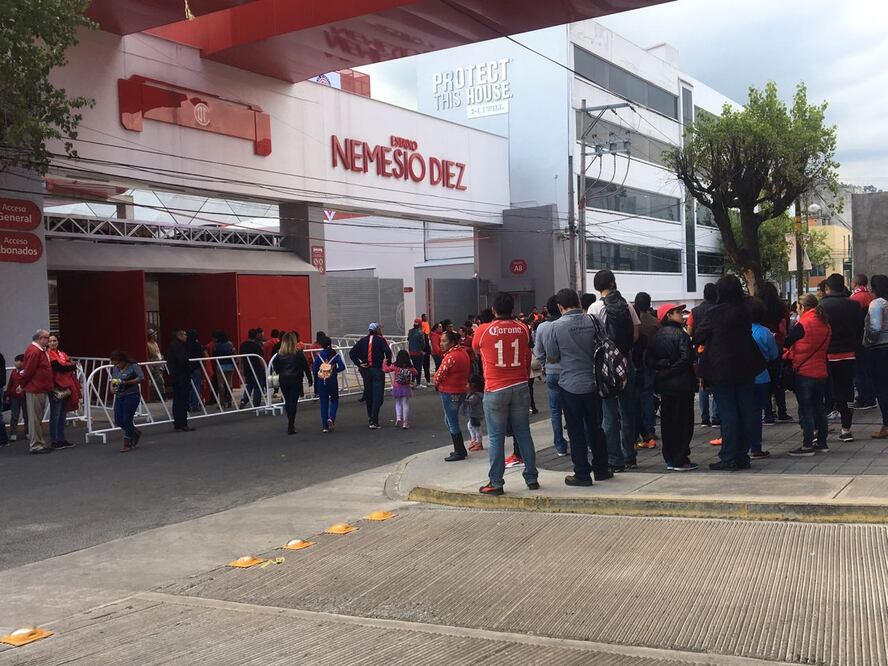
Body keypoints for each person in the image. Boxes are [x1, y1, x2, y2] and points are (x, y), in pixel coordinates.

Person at [693, 275, 765, 471]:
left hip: (720, 368)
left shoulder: (715, 313)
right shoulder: (745, 311)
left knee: (728, 412)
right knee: (745, 411)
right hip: (745, 366)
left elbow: (698, 335)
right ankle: (742, 455)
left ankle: (728, 457)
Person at [473, 293, 539, 494]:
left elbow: (476, 350)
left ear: (493, 310)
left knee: (496, 437)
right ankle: (531, 477)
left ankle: (496, 482)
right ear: (512, 309)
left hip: (495, 387)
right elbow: (529, 350)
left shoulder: (484, 330)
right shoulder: (523, 328)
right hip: (520, 385)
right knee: (523, 433)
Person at [545, 288, 612, 486]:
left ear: (560, 306)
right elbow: (604, 345)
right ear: (578, 302)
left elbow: (552, 356)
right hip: (593, 382)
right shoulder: (593, 320)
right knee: (595, 428)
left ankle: (582, 473)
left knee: (575, 431)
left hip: (569, 384)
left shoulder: (555, 327)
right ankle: (601, 468)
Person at [588, 269, 640, 471]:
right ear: (612, 283)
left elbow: (592, 337)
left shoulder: (594, 307)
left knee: (609, 412)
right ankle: (630, 456)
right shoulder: (627, 305)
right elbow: (635, 336)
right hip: (626, 363)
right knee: (628, 412)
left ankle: (615, 459)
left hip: (606, 367)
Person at [646, 303, 698, 471]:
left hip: (665, 386)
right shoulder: (681, 335)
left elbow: (648, 360)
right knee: (684, 423)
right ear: (668, 315)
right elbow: (686, 358)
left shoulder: (656, 336)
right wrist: (671, 370)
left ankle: (670, 457)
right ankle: (680, 458)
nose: (682, 315)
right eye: (678, 312)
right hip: (682, 385)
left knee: (668, 422)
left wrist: (662, 368)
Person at [820, 273, 865, 442]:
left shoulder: (822, 306)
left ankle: (820, 431)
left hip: (827, 354)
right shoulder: (854, 305)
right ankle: (846, 429)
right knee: (846, 391)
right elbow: (860, 329)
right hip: (848, 354)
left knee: (825, 391)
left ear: (827, 288)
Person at [784, 294, 831, 455]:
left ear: (802, 307)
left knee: (806, 409)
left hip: (804, 372)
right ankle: (822, 442)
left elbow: (787, 342)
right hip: (821, 371)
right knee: (819, 407)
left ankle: (807, 444)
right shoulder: (825, 323)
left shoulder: (803, 324)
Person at [533, 295, 568, 456]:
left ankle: (560, 446)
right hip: (569, 371)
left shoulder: (542, 327)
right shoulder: (566, 324)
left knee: (555, 412)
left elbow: (538, 352)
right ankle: (584, 441)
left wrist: (545, 365)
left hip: (551, 371)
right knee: (573, 409)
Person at [433, 329, 471, 461]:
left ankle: (459, 451)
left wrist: (436, 382)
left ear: (452, 342)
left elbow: (438, 375)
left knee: (452, 421)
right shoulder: (463, 353)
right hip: (461, 390)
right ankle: (460, 449)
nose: (441, 344)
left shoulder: (450, 357)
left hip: (449, 391)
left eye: (444, 341)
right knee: (449, 419)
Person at [749, 298, 779, 459]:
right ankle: (755, 447)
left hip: (742, 376)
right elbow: (774, 354)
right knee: (756, 413)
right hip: (761, 376)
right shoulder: (765, 332)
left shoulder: (739, 331)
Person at [759, 282, 793, 423]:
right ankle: (782, 412)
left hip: (761, 345)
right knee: (778, 380)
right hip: (778, 344)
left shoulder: (758, 307)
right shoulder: (781, 307)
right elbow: (786, 324)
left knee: (765, 381)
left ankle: (768, 414)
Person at [349, 323, 392, 429]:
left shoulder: (363, 340)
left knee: (369, 394)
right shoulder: (381, 340)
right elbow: (388, 351)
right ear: (377, 330)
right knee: (378, 396)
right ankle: (374, 419)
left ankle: (370, 417)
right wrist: (388, 361)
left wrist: (359, 363)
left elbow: (352, 352)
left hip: (366, 370)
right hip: (377, 369)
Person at [688, 283, 719, 427]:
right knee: (718, 383)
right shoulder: (719, 310)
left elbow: (689, 332)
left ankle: (704, 417)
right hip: (717, 351)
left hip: (701, 352)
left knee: (703, 384)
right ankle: (716, 416)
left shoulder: (694, 311)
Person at [633, 292, 660, 449]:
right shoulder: (655, 323)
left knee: (635, 399)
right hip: (649, 363)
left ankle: (637, 432)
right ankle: (650, 429)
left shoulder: (632, 321)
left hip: (635, 363)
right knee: (648, 397)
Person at [21, 329, 53, 454]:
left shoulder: (38, 351)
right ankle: (36, 445)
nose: (48, 340)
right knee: (35, 418)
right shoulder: (35, 351)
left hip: (39, 388)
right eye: (46, 338)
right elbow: (28, 371)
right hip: (35, 388)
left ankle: (39, 443)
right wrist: (22, 384)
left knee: (37, 417)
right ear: (40, 338)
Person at [46, 333, 81, 450]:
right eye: (50, 341)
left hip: (66, 386)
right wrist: (71, 366)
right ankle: (54, 440)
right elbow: (58, 367)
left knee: (62, 415)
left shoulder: (62, 353)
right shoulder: (48, 354)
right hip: (55, 386)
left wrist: (69, 365)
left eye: (54, 341)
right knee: (55, 414)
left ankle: (61, 439)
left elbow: (68, 365)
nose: (52, 343)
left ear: (58, 342)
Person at [273, 332, 312, 435]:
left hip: (284, 379)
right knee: (293, 402)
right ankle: (291, 424)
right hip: (295, 379)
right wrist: (310, 379)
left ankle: (290, 422)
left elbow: (276, 367)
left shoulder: (279, 354)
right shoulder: (298, 353)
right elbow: (306, 366)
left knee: (287, 401)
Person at [865, 275, 888, 439]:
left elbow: (875, 327)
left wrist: (867, 341)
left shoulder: (877, 303)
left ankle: (886, 425)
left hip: (880, 349)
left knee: (882, 388)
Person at [850, 274, 877, 410]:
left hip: (858, 338)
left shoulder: (855, 298)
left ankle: (865, 397)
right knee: (869, 369)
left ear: (854, 283)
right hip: (871, 339)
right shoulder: (871, 296)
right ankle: (871, 396)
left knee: (860, 369)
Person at [110, 350, 144, 453]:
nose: (116, 366)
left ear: (123, 360)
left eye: (117, 363)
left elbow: (141, 378)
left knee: (127, 419)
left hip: (132, 394)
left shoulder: (133, 366)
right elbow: (113, 380)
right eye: (114, 363)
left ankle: (128, 441)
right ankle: (134, 431)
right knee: (118, 420)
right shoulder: (115, 369)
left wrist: (127, 382)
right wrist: (112, 387)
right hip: (120, 395)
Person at [312, 335, 345, 432]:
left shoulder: (319, 356)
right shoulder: (335, 355)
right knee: (334, 400)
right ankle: (331, 418)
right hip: (332, 380)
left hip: (321, 381)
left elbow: (314, 370)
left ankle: (325, 426)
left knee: (323, 403)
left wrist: (320, 372)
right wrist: (334, 371)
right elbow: (342, 367)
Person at [166, 329, 194, 432]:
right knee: (182, 400)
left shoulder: (173, 346)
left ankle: (178, 423)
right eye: (185, 335)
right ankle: (182, 423)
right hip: (181, 377)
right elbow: (182, 361)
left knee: (177, 400)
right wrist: (189, 370)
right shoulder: (179, 346)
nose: (186, 337)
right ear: (180, 336)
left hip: (176, 377)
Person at [384, 349, 418, 429]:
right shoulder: (409, 366)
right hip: (406, 387)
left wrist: (384, 363)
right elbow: (416, 372)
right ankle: (405, 422)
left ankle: (398, 418)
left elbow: (386, 370)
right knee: (405, 404)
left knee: (398, 403)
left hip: (396, 387)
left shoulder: (395, 365)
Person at [238, 329, 266, 408]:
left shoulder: (243, 345)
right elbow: (261, 358)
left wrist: (241, 368)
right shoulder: (257, 346)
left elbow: (240, 358)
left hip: (247, 368)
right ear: (256, 335)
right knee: (258, 385)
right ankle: (256, 404)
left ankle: (244, 399)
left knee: (249, 385)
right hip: (257, 369)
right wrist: (265, 368)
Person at [5, 354, 28, 442]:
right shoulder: (14, 372)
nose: (15, 363)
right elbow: (10, 383)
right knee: (14, 415)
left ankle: (27, 432)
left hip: (25, 396)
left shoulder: (27, 372)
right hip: (14, 397)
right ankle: (13, 433)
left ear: (22, 362)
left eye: (16, 361)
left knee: (27, 416)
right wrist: (7, 395)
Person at [213, 331, 236, 408]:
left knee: (221, 384)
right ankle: (229, 401)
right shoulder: (230, 344)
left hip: (220, 365)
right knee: (229, 383)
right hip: (230, 364)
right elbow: (233, 353)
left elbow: (214, 355)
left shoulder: (217, 345)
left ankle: (222, 403)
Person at [463, 374, 485, 451]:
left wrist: (462, 400)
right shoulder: (474, 394)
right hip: (474, 414)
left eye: (467, 384)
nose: (466, 385)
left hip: (476, 415)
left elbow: (470, 402)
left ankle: (478, 443)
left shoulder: (475, 395)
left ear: (473, 385)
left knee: (476, 428)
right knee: (470, 425)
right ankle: (474, 439)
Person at [185, 329, 204, 412]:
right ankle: (195, 405)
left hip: (187, 368)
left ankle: (187, 404)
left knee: (187, 386)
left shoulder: (184, 345)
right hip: (196, 367)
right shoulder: (197, 345)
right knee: (196, 386)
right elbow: (201, 355)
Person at [146, 329, 165, 401]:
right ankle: (159, 396)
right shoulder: (148, 344)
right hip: (153, 364)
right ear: (151, 336)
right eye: (154, 335)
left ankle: (161, 394)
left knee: (161, 380)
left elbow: (158, 353)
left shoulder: (156, 344)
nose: (156, 336)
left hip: (159, 363)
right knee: (159, 380)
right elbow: (148, 356)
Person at [407, 318, 426, 387]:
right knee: (419, 368)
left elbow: (408, 340)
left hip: (411, 352)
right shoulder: (420, 332)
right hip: (418, 352)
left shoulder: (410, 331)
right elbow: (422, 343)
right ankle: (418, 383)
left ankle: (412, 381)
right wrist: (422, 350)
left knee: (412, 367)